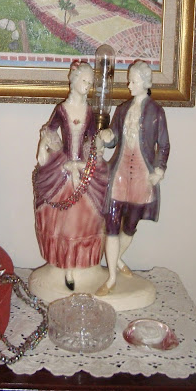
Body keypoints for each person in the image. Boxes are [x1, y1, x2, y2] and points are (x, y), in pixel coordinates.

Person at [96, 60, 170, 296]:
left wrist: (159, 169)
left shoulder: (156, 112)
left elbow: (164, 145)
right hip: (118, 175)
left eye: (133, 81)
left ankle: (116, 259)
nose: (129, 85)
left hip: (141, 176)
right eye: (129, 81)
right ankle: (111, 278)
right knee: (111, 224)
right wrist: (108, 135)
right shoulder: (122, 109)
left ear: (145, 83)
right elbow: (114, 138)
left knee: (130, 226)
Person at [33, 60, 109, 289]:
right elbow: (49, 132)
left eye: (90, 83)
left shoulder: (89, 111)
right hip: (63, 167)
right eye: (84, 81)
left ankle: (83, 263)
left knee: (85, 218)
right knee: (63, 220)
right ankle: (64, 263)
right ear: (74, 81)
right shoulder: (62, 109)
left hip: (82, 166)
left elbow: (91, 140)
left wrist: (99, 144)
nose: (87, 86)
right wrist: (44, 148)